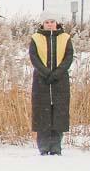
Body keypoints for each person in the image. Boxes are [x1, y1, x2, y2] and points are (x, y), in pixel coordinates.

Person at [29, 12, 74, 156]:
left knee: (58, 114)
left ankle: (56, 147)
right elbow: (33, 57)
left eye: (52, 21)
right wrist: (46, 73)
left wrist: (57, 73)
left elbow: (68, 57)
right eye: (47, 22)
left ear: (57, 23)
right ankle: (43, 147)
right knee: (42, 114)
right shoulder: (36, 38)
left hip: (60, 82)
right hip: (41, 82)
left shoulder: (65, 38)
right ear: (42, 24)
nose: (49, 24)